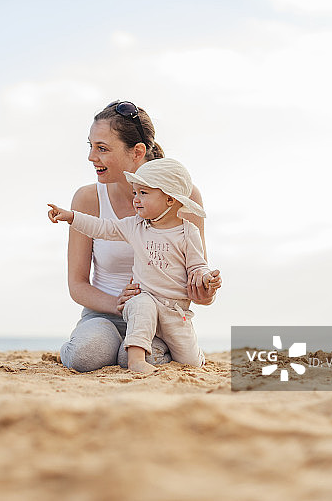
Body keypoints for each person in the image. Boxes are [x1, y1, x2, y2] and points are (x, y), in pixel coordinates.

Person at [57, 100, 220, 373]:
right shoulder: (87, 198)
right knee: (88, 355)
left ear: (138, 152)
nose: (91, 157)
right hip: (105, 316)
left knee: (141, 359)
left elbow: (196, 275)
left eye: (102, 148)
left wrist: (204, 291)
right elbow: (77, 285)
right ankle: (79, 346)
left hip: (160, 320)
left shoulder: (183, 196)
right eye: (91, 146)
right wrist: (121, 304)